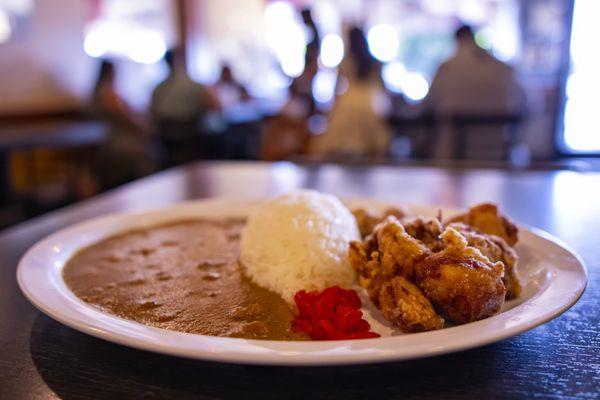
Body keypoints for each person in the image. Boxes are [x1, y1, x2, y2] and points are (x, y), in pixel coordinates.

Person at [423, 25, 526, 158]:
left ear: (457, 41)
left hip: (453, 154)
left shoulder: (447, 67)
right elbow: (522, 104)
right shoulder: (501, 68)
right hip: (498, 153)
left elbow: (429, 104)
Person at [311, 26, 391, 159]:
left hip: (349, 101)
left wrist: (331, 109)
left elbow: (337, 86)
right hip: (368, 102)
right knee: (368, 147)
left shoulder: (347, 60)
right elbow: (381, 86)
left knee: (341, 144)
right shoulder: (373, 61)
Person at [150, 48, 220, 166]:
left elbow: (153, 114)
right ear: (180, 61)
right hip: (191, 140)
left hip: (166, 142)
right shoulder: (192, 85)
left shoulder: (157, 89)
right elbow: (216, 106)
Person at [92, 60, 153, 189]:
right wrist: (143, 129)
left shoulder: (97, 92)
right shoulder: (108, 93)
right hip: (117, 142)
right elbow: (126, 119)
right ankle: (145, 188)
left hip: (106, 142)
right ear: (111, 72)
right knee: (149, 153)